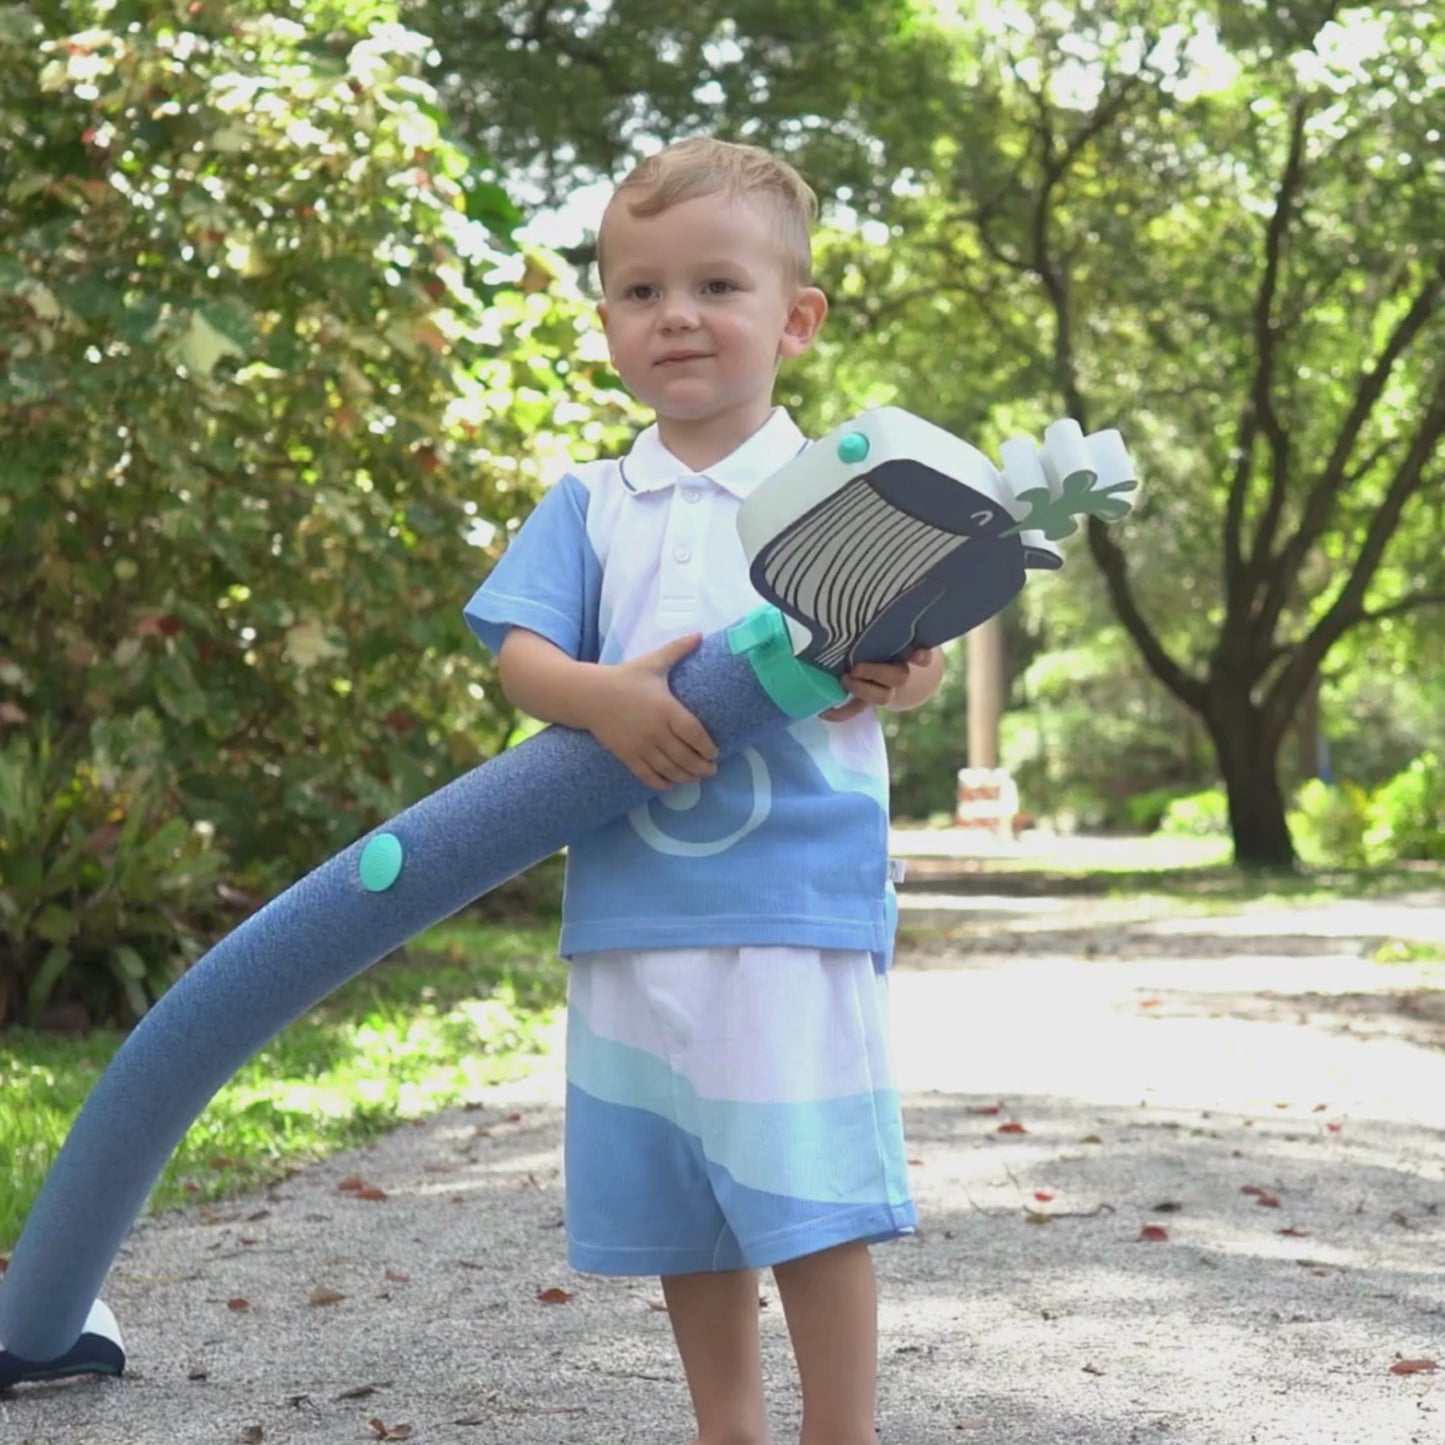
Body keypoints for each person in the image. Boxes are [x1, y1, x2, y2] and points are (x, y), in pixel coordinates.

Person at [465, 136, 944, 1445]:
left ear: (793, 319)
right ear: (609, 321)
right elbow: (520, 654)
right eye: (638, 290)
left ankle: (836, 1432)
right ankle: (721, 1427)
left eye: (716, 286)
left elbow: (911, 661)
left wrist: (888, 677)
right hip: (629, 904)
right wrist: (600, 696)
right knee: (690, 1192)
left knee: (809, 1191)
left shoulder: (836, 489)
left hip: (789, 904)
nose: (675, 314)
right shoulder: (590, 500)